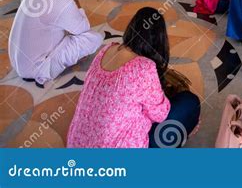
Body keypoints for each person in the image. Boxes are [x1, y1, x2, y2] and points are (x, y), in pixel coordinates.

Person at [67, 8, 200, 148]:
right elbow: (160, 115)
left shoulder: (106, 49)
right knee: (189, 102)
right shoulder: (144, 66)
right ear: (160, 40)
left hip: (75, 145)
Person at [9, 0, 103, 85]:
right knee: (94, 38)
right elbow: (84, 29)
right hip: (36, 68)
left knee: (62, 28)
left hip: (18, 62)